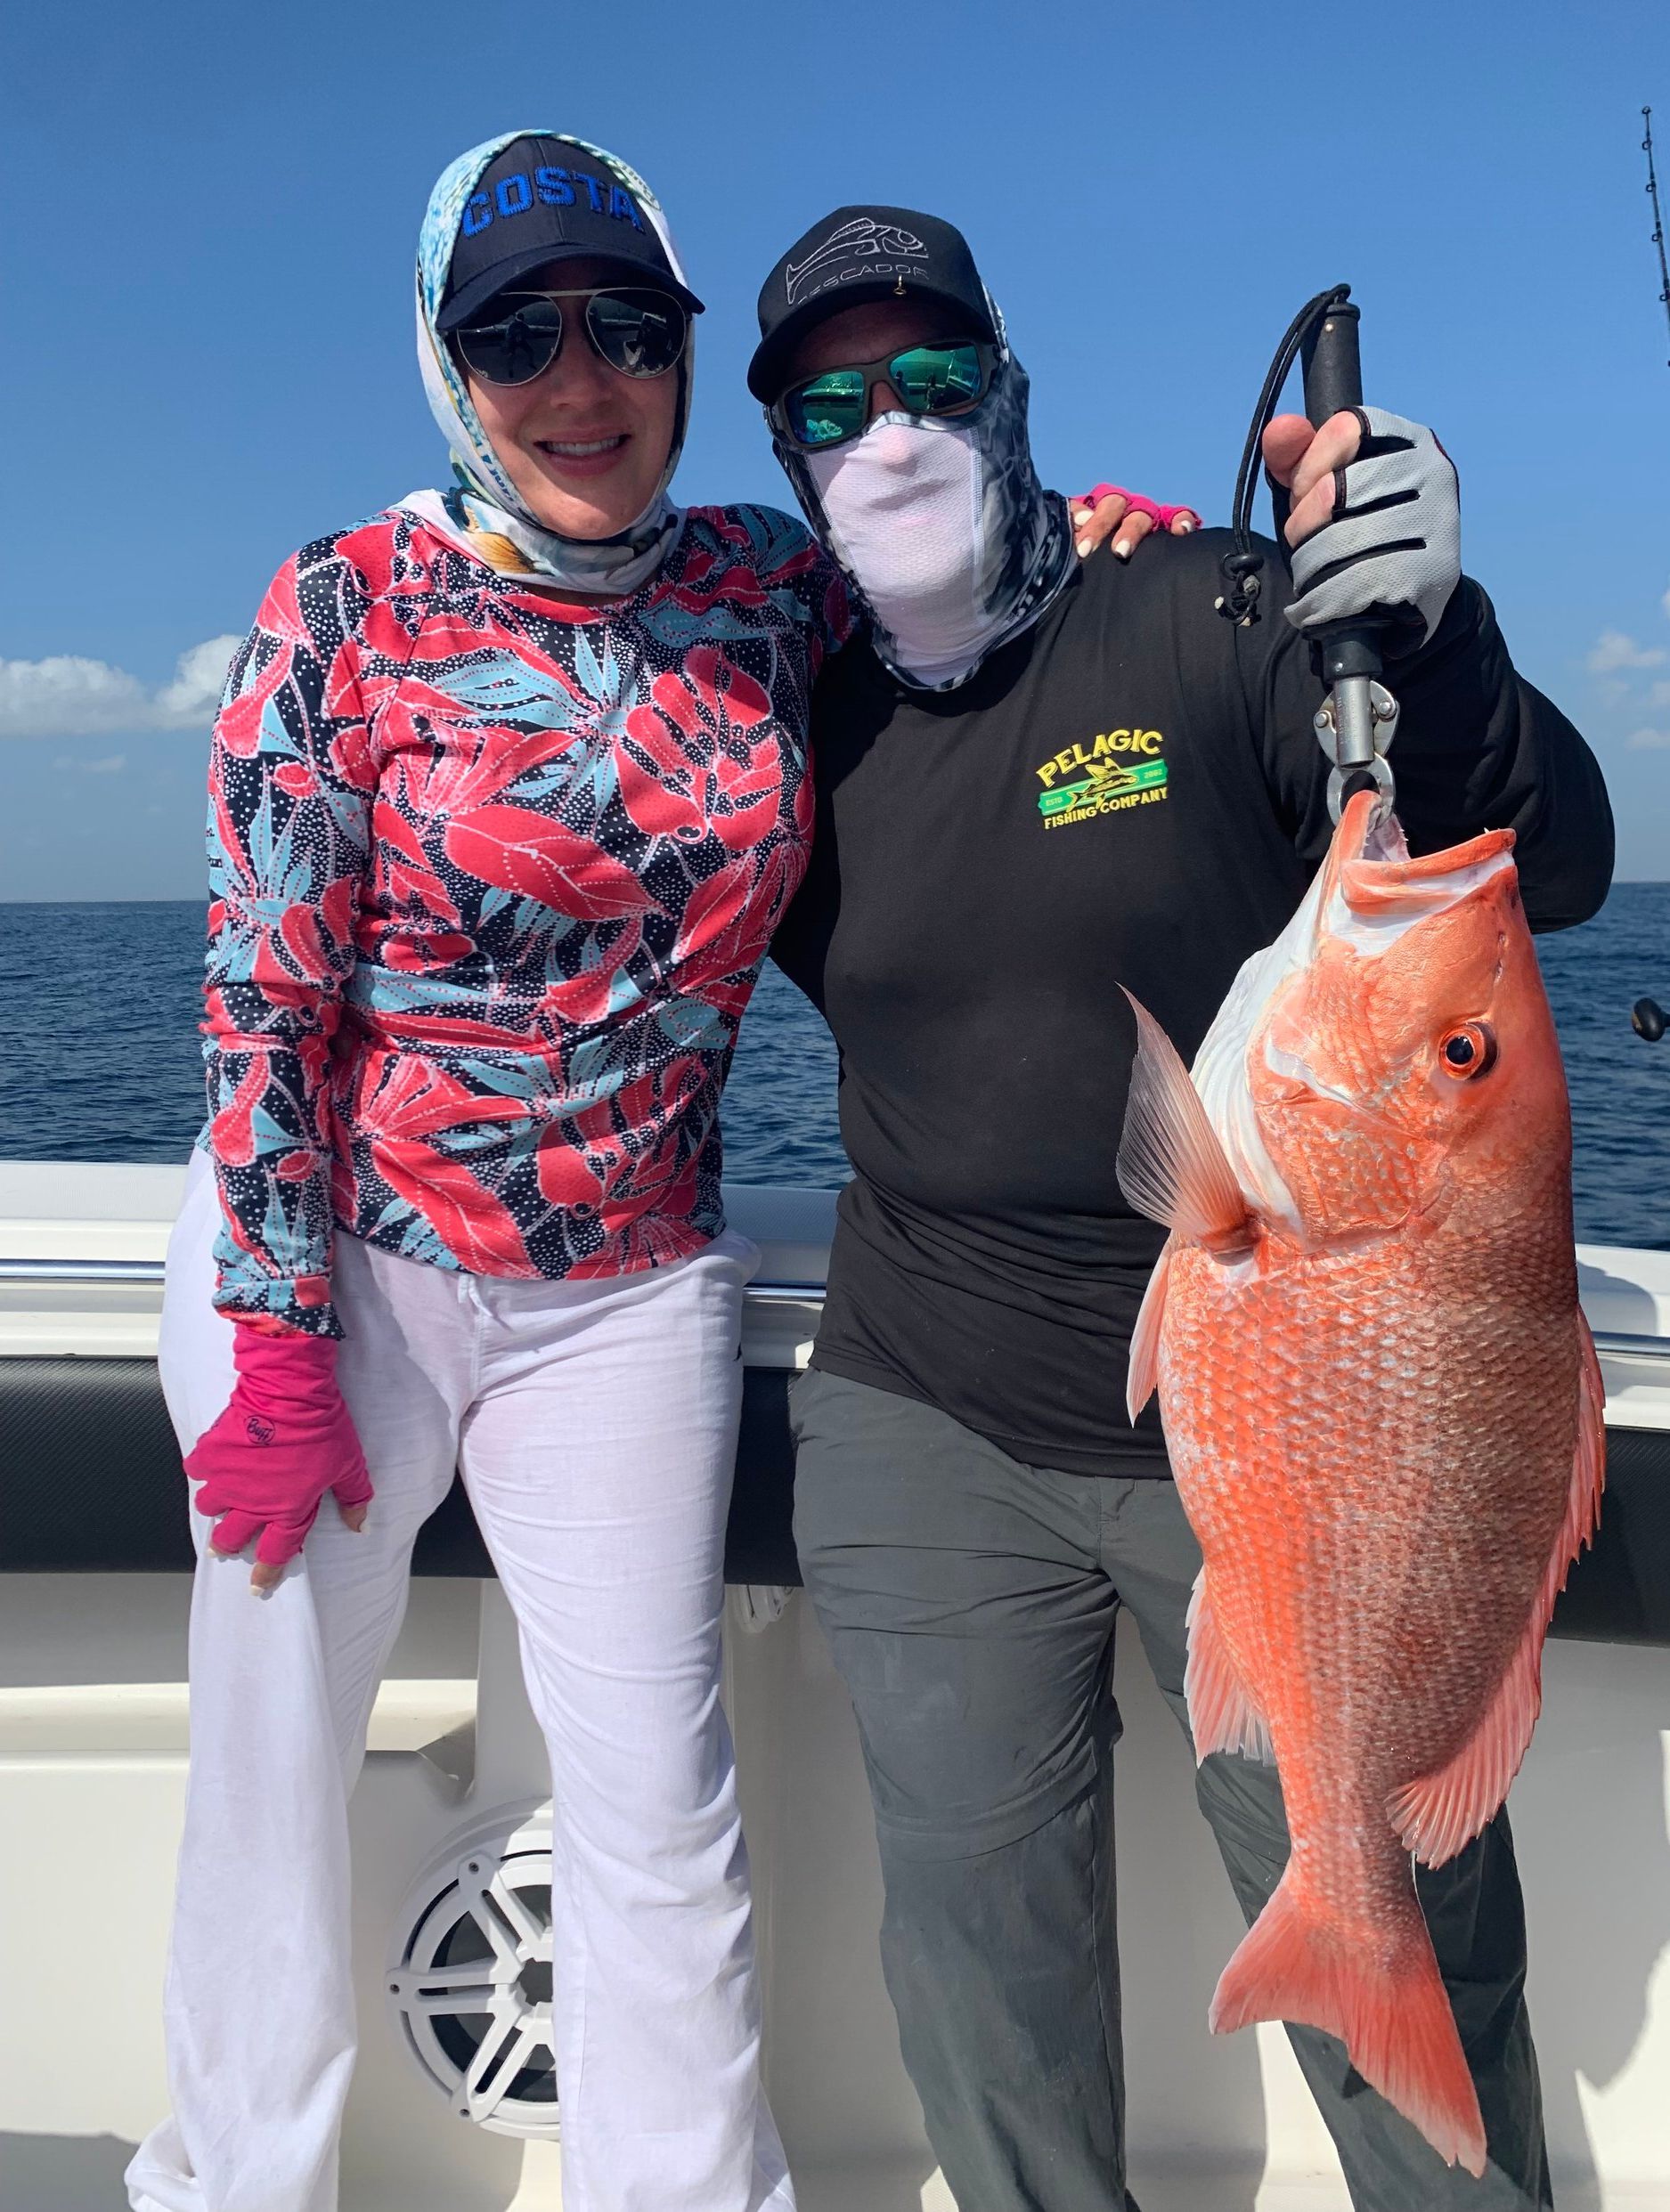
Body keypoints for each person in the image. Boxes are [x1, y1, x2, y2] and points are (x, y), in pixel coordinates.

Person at [128, 135, 1162, 2212]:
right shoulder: (334, 605)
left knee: (659, 1817)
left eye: (626, 325)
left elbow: (976, 605)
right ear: (448, 362)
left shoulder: (768, 594)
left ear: (686, 360)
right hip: (339, 1267)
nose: (576, 376)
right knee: (269, 1788)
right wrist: (266, 1322)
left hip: (631, 1283)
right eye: (516, 334)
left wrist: (1103, 537)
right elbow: (260, 993)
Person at [753, 203, 1615, 2212]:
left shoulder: (1213, 613)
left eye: (938, 380)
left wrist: (1426, 622)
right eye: (834, 399)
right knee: (979, 1955)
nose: (891, 429)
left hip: (1276, 1414)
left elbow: (1538, 860)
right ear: (787, 448)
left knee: (1391, 1892)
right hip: (922, 1404)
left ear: (1009, 391)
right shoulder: (792, 716)